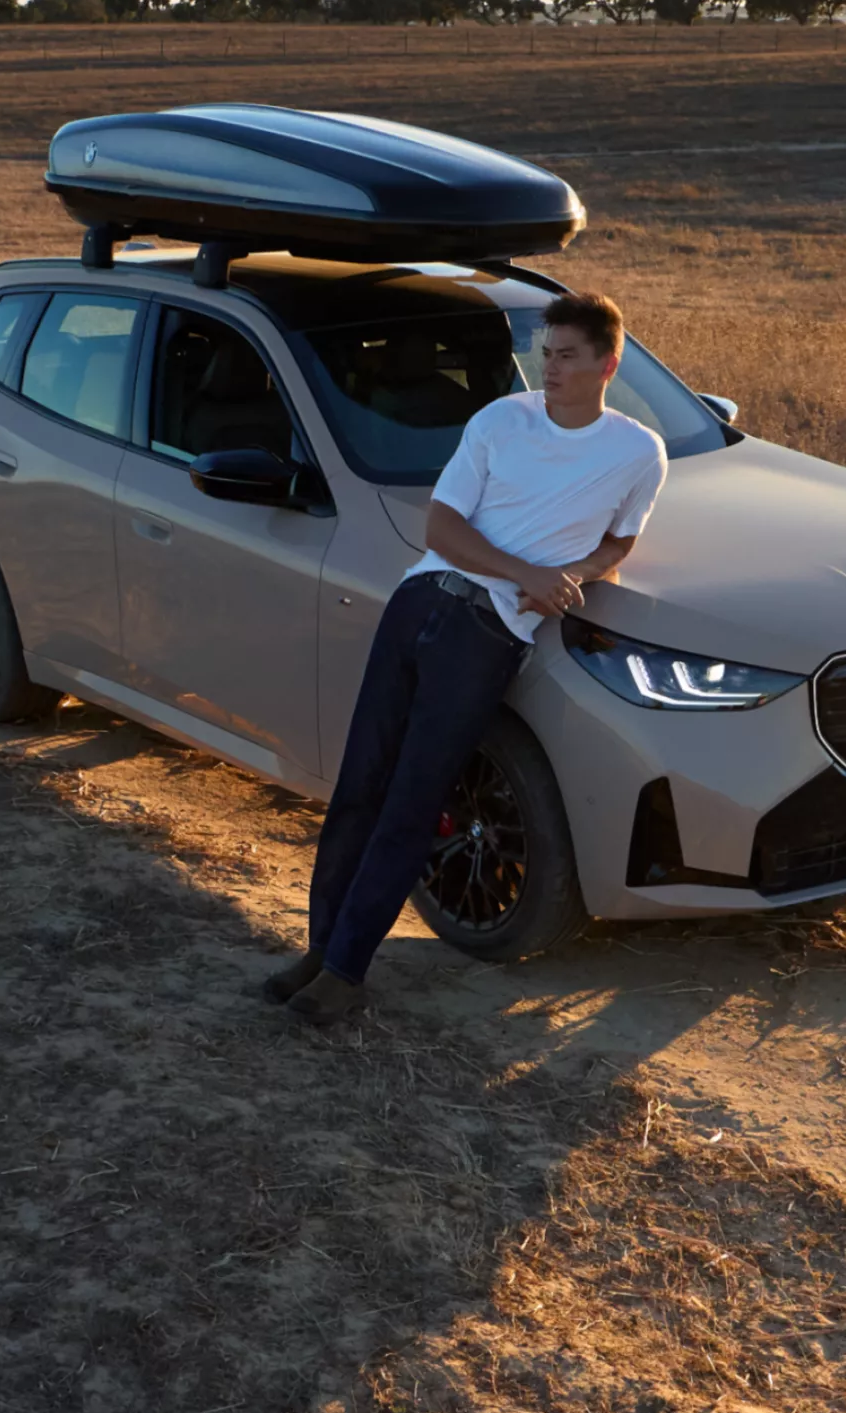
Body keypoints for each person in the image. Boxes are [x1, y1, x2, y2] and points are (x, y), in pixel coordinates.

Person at [264, 291, 668, 1023]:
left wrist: (579, 574)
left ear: (608, 363)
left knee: (413, 799)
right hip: (419, 602)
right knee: (358, 787)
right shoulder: (498, 421)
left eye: (568, 356)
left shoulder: (638, 452)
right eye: (545, 353)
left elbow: (623, 539)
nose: (549, 368)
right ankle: (319, 952)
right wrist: (528, 573)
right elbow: (443, 530)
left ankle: (348, 972)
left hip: (486, 636)